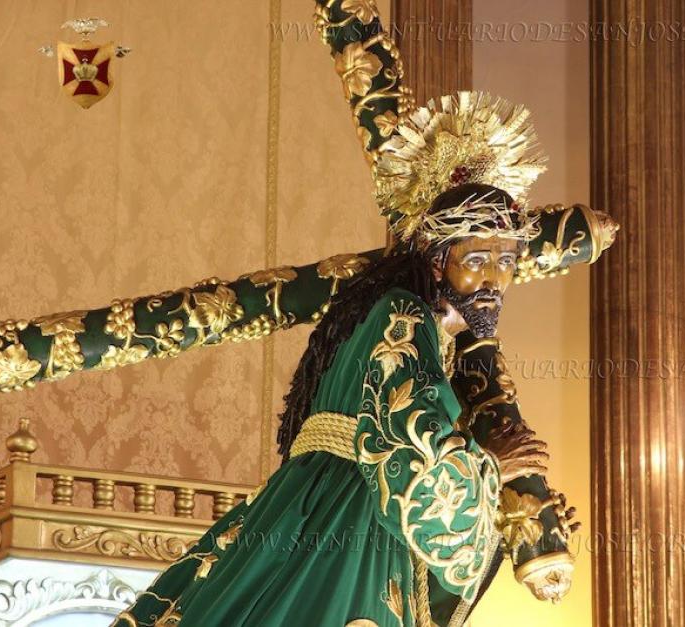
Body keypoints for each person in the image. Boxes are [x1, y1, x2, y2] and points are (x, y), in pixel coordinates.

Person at [113, 92, 550, 627]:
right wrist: (493, 468)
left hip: (338, 508)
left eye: (506, 261)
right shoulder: (403, 315)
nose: (494, 280)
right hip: (346, 516)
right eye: (476, 260)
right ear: (438, 263)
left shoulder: (434, 335)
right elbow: (406, 450)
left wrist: (509, 511)